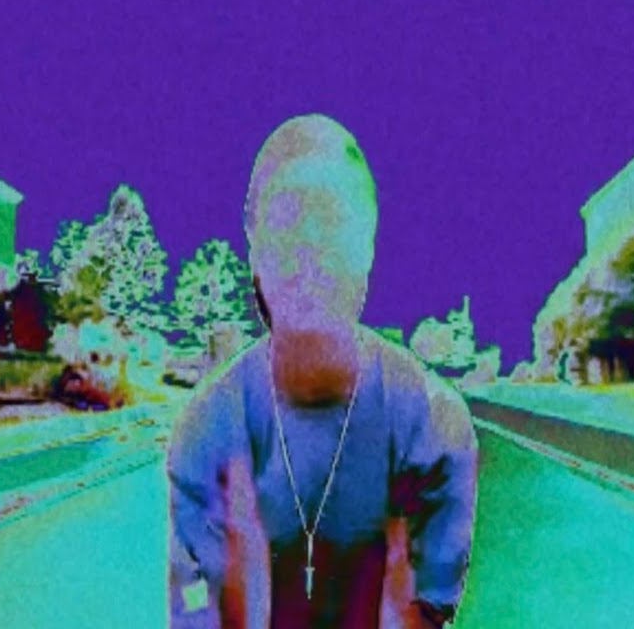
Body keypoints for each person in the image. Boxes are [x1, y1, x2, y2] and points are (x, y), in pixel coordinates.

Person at [167, 115, 478, 628]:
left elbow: (421, 614)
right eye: (286, 217)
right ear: (254, 250)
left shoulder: (431, 424)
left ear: (369, 245)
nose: (308, 243)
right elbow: (195, 615)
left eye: (331, 216)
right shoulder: (206, 427)